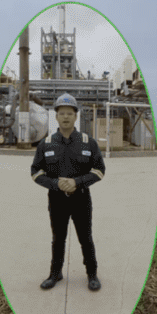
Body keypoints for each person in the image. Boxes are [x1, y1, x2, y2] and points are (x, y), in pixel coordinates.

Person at [30, 94, 106, 291]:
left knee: (86, 238)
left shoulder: (88, 143)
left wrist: (77, 182)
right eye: (61, 113)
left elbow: (99, 170)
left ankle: (92, 274)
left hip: (81, 199)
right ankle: (55, 273)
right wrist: (56, 184)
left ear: (75, 116)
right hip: (56, 201)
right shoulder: (46, 143)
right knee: (58, 238)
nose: (65, 117)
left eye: (69, 113)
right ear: (56, 116)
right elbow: (35, 172)